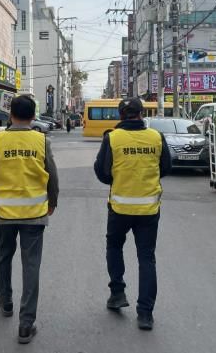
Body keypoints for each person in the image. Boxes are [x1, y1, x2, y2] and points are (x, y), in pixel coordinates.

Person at [0, 95, 59, 344]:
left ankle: (6, 301)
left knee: (4, 255)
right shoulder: (41, 141)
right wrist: (53, 201)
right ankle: (26, 324)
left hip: (4, 213)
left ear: (10, 114)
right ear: (33, 116)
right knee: (31, 265)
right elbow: (52, 174)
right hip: (34, 214)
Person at [93, 97, 171, 331]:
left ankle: (117, 293)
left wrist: (119, 179)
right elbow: (166, 168)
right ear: (141, 113)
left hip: (119, 208)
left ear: (121, 115)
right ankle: (145, 314)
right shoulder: (156, 137)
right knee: (147, 258)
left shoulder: (112, 138)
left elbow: (102, 172)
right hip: (149, 209)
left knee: (114, 247)